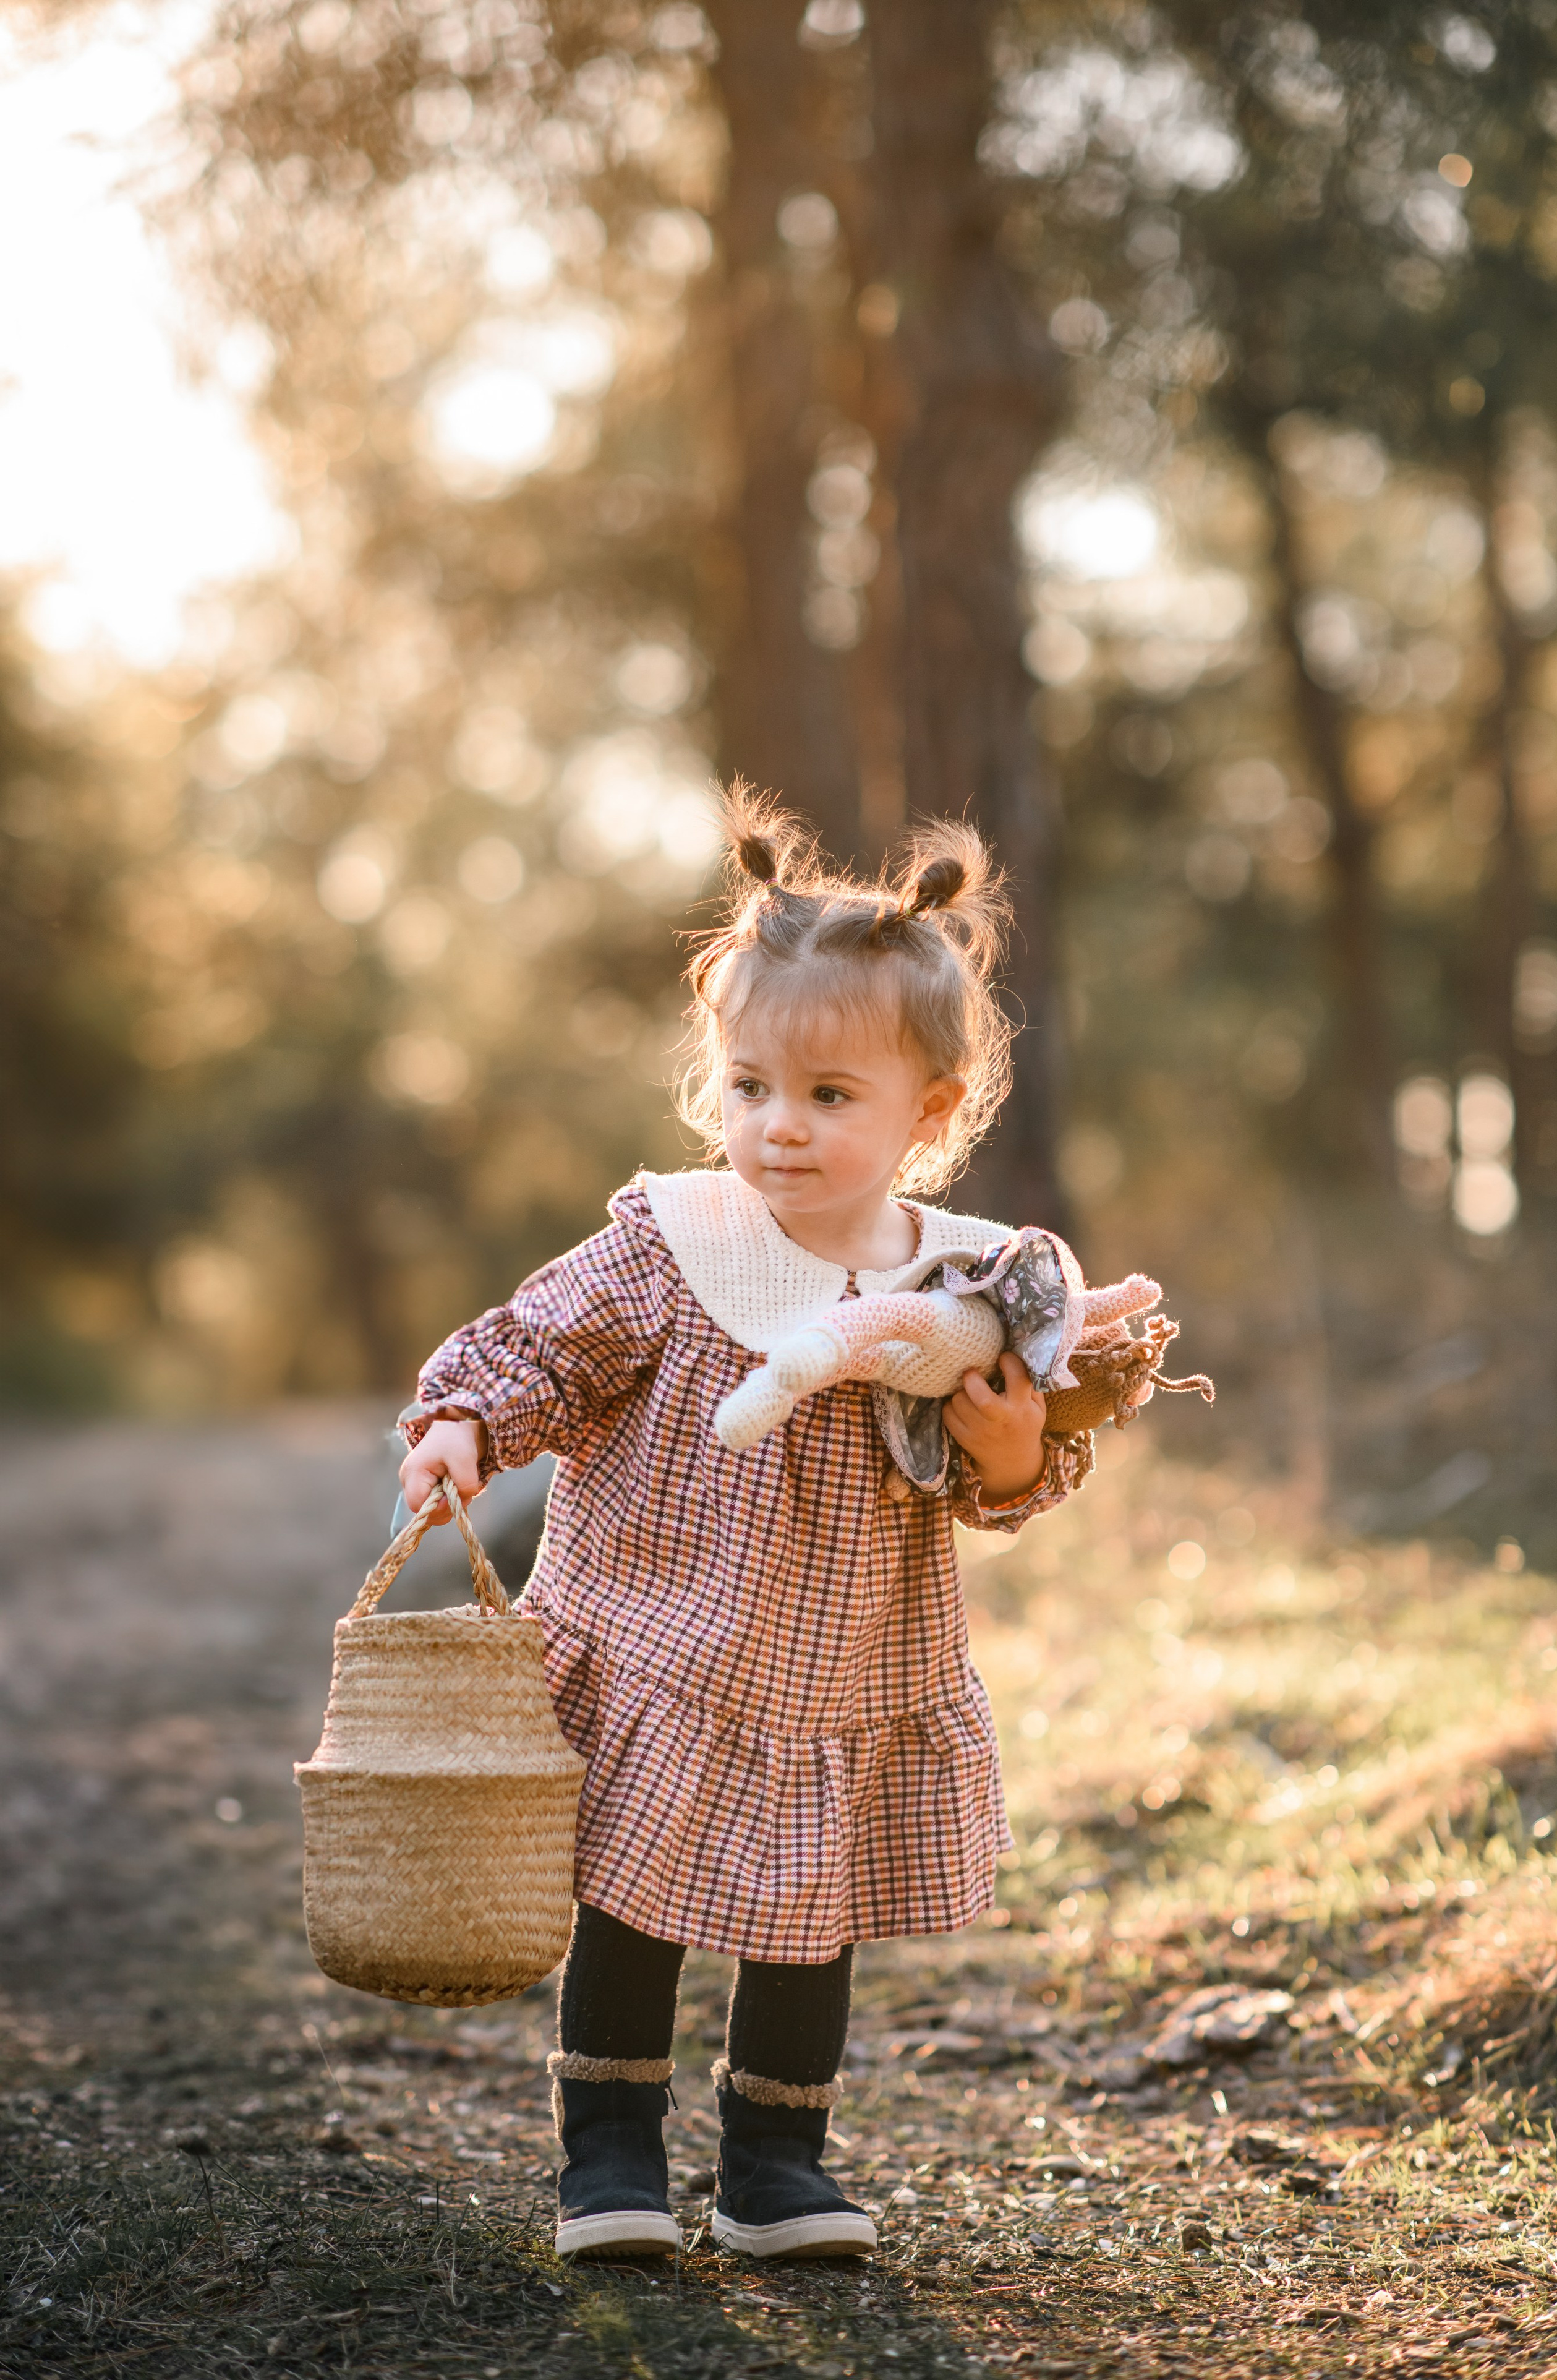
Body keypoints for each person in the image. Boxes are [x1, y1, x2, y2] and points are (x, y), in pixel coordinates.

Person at [398, 792, 1077, 2262]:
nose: (779, 1125)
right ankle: (610, 2159)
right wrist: (465, 1420)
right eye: (752, 1084)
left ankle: (774, 2164)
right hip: (659, 1631)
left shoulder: (968, 1286)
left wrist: (1012, 1447)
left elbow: (1016, 1471)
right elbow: (543, 1345)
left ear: (931, 1112)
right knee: (631, 1903)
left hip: (844, 1667)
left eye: (831, 1096)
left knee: (800, 1920)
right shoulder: (676, 1238)